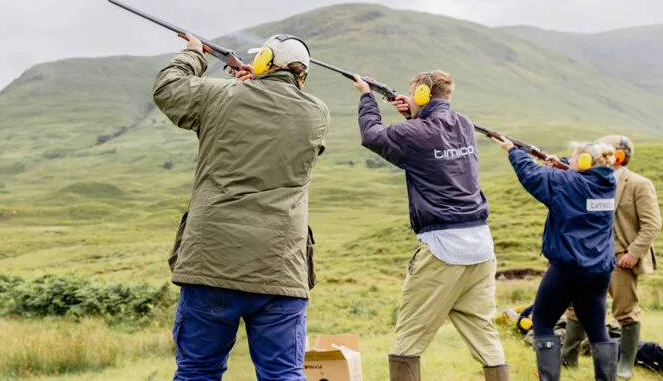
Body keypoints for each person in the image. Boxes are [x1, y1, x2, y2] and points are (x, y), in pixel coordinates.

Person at [153, 33, 330, 381]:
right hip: (280, 268)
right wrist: (257, 85)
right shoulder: (318, 114)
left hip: (212, 263)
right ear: (302, 75)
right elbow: (272, 115)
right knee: (284, 374)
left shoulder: (221, 96)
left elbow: (168, 89)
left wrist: (193, 54)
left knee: (196, 372)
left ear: (264, 61)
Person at [353, 70, 509, 381]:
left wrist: (366, 97)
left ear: (423, 95)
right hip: (480, 245)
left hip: (442, 249)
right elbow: (431, 144)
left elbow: (372, 136)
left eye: (414, 95)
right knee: (483, 332)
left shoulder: (416, 133)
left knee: (408, 338)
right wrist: (413, 114)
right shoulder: (463, 123)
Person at [492, 137, 620, 381]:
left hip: (568, 268)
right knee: (597, 329)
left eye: (573, 157)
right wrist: (561, 163)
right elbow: (581, 178)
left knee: (542, 321)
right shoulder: (608, 183)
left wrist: (512, 151)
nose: (569, 160)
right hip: (599, 270)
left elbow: (532, 175)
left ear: (584, 162)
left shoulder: (567, 183)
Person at [561, 135, 661, 379]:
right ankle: (568, 359)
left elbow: (652, 224)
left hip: (621, 259)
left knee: (625, 311)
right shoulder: (590, 180)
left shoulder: (639, 184)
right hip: (590, 256)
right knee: (576, 307)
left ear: (617, 157)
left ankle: (625, 365)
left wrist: (633, 254)